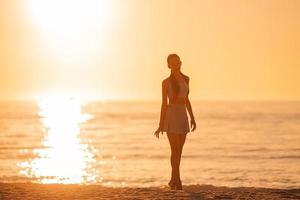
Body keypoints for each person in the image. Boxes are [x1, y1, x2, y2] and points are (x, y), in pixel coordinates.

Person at [154, 53, 196, 190]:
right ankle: (177, 180)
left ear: (180, 63)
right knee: (175, 149)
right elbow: (163, 104)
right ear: (168, 65)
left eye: (177, 63)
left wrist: (192, 118)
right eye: (173, 64)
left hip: (182, 115)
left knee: (180, 151)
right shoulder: (165, 82)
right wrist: (161, 124)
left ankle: (173, 179)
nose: (176, 66)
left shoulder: (186, 79)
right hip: (171, 115)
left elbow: (187, 100)